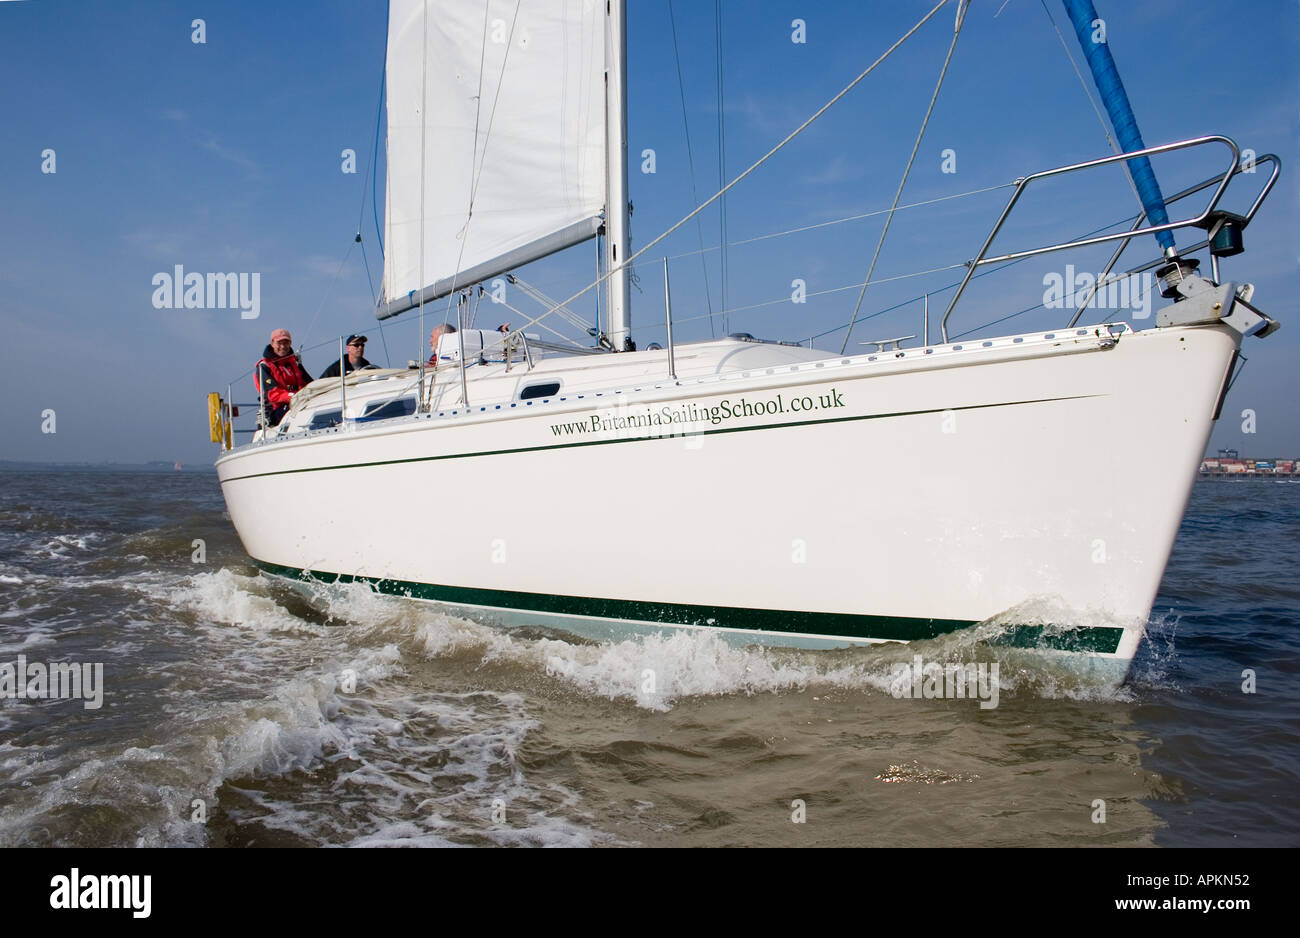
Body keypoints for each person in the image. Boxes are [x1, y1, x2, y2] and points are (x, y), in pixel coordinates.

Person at [256, 328, 312, 427]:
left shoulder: (295, 363)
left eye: (286, 343)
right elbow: (272, 394)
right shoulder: (264, 366)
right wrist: (293, 396)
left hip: (298, 403)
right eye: (279, 343)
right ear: (272, 343)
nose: (283, 346)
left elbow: (309, 384)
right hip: (275, 410)